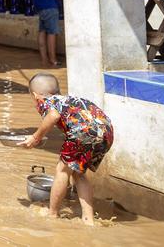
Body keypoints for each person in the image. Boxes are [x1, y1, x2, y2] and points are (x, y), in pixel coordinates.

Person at [19, 73, 113, 226]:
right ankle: (89, 220)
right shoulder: (70, 100)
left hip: (83, 132)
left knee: (61, 171)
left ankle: (52, 214)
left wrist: (35, 137)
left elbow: (53, 116)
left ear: (36, 95)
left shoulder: (47, 101)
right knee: (78, 174)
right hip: (106, 132)